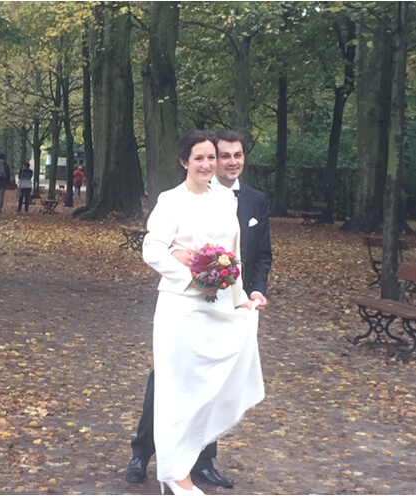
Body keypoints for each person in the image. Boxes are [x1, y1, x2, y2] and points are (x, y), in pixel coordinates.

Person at [126, 129, 272, 489]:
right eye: (199, 158)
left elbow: (233, 254)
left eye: (211, 158)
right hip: (182, 307)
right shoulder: (170, 200)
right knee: (177, 390)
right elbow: (152, 249)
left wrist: (241, 298)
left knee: (208, 390)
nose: (207, 165)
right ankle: (176, 474)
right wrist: (192, 277)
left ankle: (192, 462)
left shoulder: (224, 199)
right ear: (184, 161)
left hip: (219, 308)